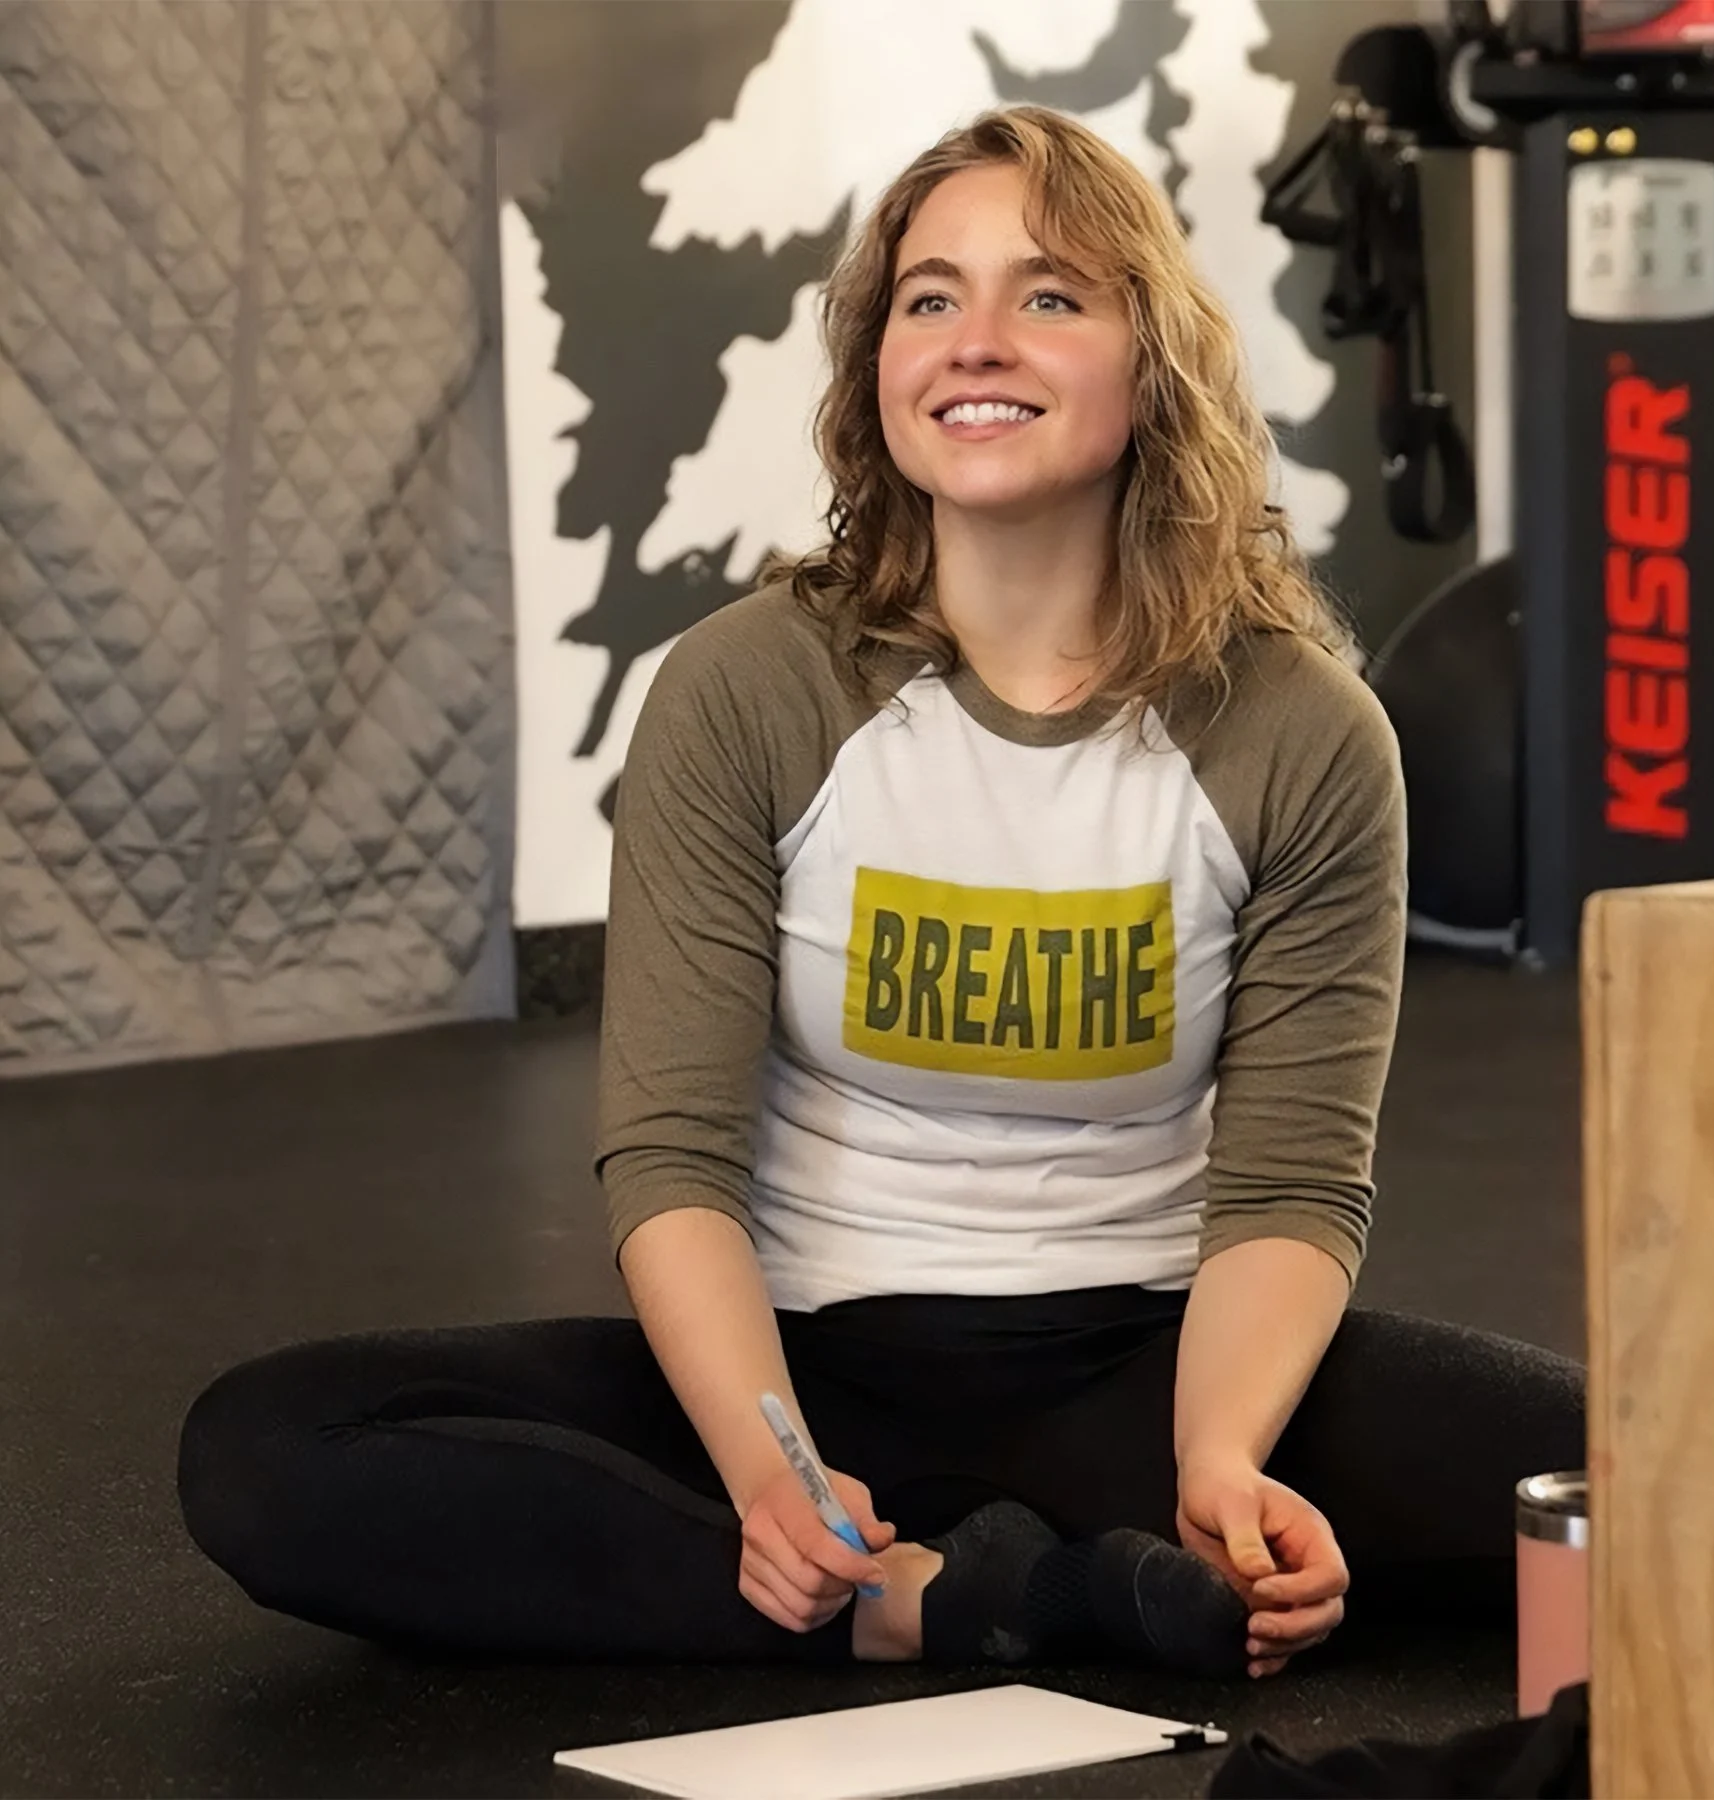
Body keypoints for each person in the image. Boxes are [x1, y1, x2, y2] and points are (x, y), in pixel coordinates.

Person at [178, 106, 1582, 1678]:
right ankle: (954, 1600)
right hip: (809, 1377)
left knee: (1658, 1478)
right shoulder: (747, 687)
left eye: (1049, 294)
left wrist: (1223, 1467)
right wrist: (770, 1475)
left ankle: (1017, 1581)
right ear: (878, 369)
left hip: (1153, 1373)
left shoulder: (1301, 730)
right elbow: (672, 1152)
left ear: (1153, 364)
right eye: (930, 298)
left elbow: (1290, 1187)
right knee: (270, 1448)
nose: (977, 340)